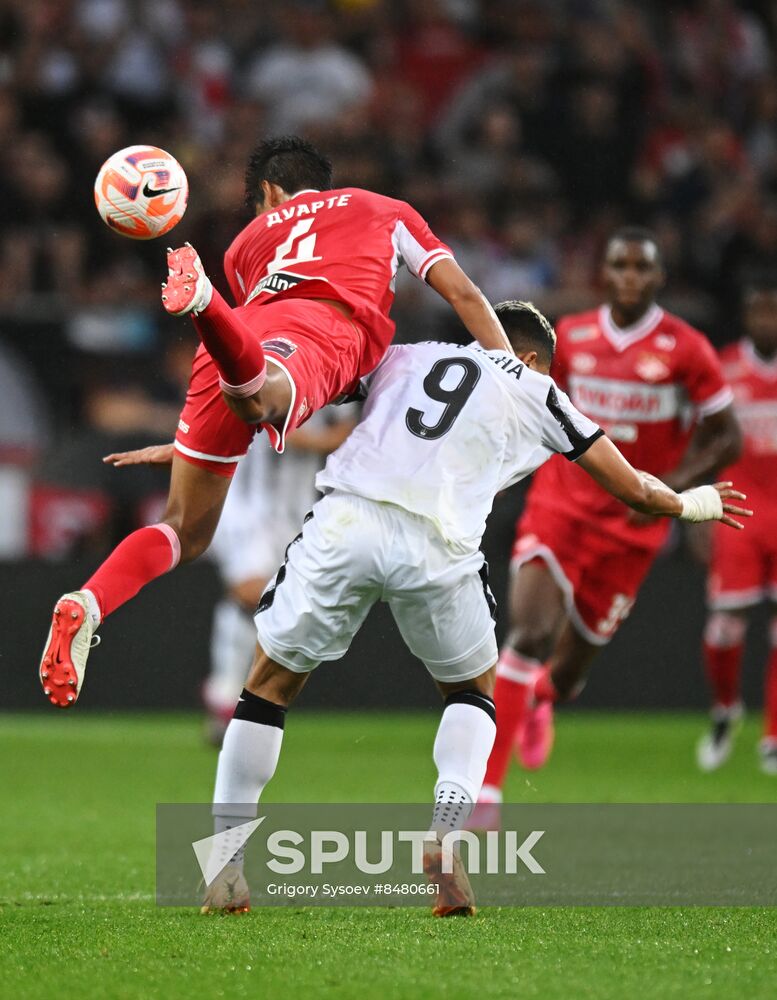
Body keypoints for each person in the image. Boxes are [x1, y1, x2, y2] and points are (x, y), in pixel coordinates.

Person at [199, 301, 749, 916]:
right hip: (440, 544)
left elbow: (294, 393)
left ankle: (225, 868)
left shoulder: (404, 356)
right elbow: (635, 489)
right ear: (533, 358)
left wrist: (191, 448)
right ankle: (445, 834)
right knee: (472, 693)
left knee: (267, 687)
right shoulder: (539, 391)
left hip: (348, 519)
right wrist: (693, 503)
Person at [38, 135, 512, 709]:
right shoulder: (383, 208)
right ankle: (205, 303)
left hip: (232, 345)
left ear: (268, 192)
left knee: (183, 529)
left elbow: (259, 335)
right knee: (264, 396)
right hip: (316, 333)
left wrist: (184, 447)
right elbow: (463, 293)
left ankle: (91, 600)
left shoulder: (245, 244)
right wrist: (509, 377)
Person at [476, 229, 742, 824]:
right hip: (561, 506)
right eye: (619, 265)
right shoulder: (571, 337)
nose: (629, 277)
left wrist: (671, 485)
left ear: (658, 277)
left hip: (631, 526)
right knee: (529, 634)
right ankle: (486, 794)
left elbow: (728, 437)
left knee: (569, 674)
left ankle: (541, 699)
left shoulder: (686, 348)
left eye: (640, 267)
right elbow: (532, 407)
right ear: (605, 272)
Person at [203, 405, 358, 743]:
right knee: (250, 591)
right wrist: (320, 440)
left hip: (298, 509)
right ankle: (224, 694)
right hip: (249, 503)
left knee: (280, 603)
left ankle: (247, 701)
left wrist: (322, 440)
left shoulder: (340, 382)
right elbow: (267, 422)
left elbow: (349, 429)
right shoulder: (265, 373)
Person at [696, 278, 777, 774]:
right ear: (747, 317)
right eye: (759, 311)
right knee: (724, 627)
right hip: (738, 508)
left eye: (773, 311)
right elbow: (703, 439)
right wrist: (695, 506)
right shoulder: (723, 368)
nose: (766, 320)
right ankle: (726, 708)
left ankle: (774, 735)